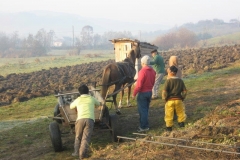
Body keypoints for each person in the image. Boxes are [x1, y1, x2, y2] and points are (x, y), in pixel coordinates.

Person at [70, 84, 100, 159]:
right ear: (88, 92)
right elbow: (98, 104)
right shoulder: (91, 98)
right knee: (86, 137)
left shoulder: (78, 99)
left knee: (78, 136)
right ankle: (82, 154)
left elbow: (71, 106)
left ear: (79, 93)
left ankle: (76, 152)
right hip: (90, 120)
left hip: (80, 119)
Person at [132, 55, 156, 132]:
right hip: (149, 92)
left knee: (142, 111)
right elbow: (152, 82)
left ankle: (143, 127)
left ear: (142, 63)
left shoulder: (142, 72)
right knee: (146, 110)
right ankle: (145, 125)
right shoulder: (153, 71)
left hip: (142, 93)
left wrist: (134, 94)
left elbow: (139, 86)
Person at [162, 66, 187, 132]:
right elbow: (184, 91)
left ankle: (169, 127)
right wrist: (182, 98)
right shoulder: (180, 81)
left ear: (170, 72)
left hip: (170, 100)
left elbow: (164, 92)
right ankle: (181, 124)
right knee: (180, 112)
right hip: (178, 100)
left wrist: (165, 99)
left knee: (169, 114)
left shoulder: (168, 81)